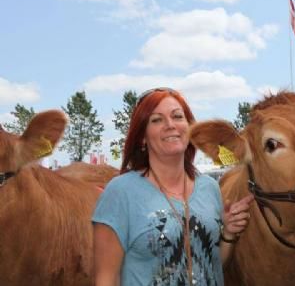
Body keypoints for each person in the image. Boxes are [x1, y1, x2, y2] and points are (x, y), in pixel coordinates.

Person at [92, 87, 253, 286]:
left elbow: (212, 266)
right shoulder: (120, 193)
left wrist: (228, 233)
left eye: (177, 116)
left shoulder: (210, 188)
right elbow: (106, 279)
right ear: (143, 137)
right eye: (157, 120)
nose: (170, 125)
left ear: (190, 128)